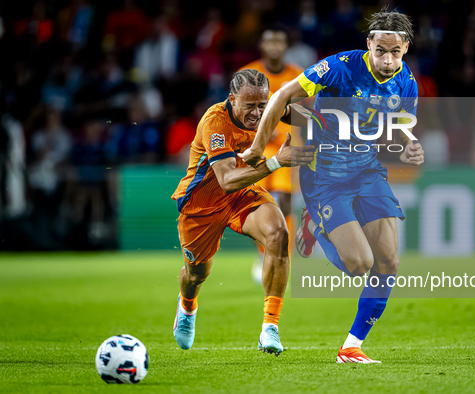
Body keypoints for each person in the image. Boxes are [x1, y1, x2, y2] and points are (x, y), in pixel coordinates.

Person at [239, 9, 425, 363]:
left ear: (405, 49)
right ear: (368, 43)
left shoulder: (407, 82)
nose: (387, 60)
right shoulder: (339, 67)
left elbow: (400, 121)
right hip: (324, 175)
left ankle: (351, 346)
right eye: (380, 50)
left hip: (367, 170)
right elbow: (280, 99)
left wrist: (410, 142)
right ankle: (313, 224)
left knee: (388, 262)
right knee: (359, 263)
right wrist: (256, 149)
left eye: (395, 53)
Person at [171, 69, 314, 355]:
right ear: (232, 99)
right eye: (250, 106)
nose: (258, 113)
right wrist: (276, 162)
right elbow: (225, 181)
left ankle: (269, 328)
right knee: (197, 273)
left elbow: (306, 117)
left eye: (263, 105)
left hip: (242, 194)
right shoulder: (215, 122)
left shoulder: (267, 108)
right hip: (202, 203)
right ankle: (187, 307)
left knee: (278, 233)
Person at [239, 27, 304, 284]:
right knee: (256, 204)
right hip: (258, 146)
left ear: (286, 45)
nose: (275, 45)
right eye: (270, 40)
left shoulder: (297, 75)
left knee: (285, 202)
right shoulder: (248, 74)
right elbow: (238, 111)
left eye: (280, 40)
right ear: (262, 45)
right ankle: (263, 254)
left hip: (288, 146)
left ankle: (283, 259)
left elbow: (309, 111)